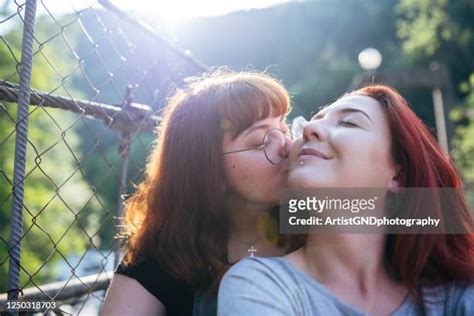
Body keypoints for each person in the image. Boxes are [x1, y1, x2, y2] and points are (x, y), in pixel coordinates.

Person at [218, 85, 474, 315]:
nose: (308, 129)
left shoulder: (453, 292)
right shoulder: (258, 284)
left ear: (398, 174)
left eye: (349, 123)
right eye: (313, 121)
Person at [100, 68, 304, 316]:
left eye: (284, 128)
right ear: (208, 170)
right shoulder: (166, 252)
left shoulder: (323, 212)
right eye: (262, 141)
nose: (289, 146)